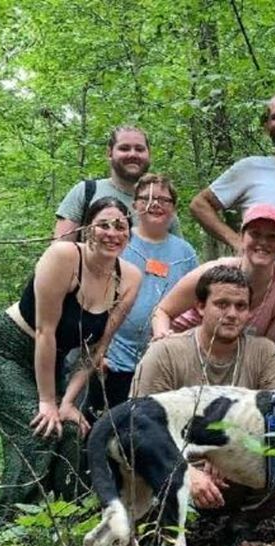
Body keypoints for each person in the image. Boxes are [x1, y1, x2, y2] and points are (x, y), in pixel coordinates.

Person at [0, 197, 140, 525]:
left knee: (72, 429)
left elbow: (95, 351)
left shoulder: (130, 278)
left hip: (53, 361)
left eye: (121, 226)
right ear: (87, 228)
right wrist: (48, 401)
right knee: (39, 428)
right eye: (103, 224)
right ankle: (7, 529)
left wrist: (69, 401)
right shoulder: (63, 256)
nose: (112, 233)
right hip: (2, 350)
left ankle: (68, 523)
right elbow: (46, 333)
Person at [132, 265, 275, 510]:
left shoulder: (264, 353)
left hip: (242, 468)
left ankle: (240, 527)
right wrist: (188, 472)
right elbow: (139, 427)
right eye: (221, 304)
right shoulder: (165, 353)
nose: (232, 314)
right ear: (200, 306)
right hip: (176, 468)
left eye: (241, 306)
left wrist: (227, 452)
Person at [88, 174, 198, 413]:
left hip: (165, 364)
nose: (155, 204)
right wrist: (98, 350)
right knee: (108, 431)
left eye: (163, 199)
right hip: (113, 363)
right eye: (146, 198)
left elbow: (196, 304)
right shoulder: (117, 241)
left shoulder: (186, 252)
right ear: (134, 205)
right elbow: (93, 296)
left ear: (174, 208)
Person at [151, 204, 275, 345]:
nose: (263, 242)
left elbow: (266, 348)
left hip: (229, 359)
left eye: (272, 237)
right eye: (255, 234)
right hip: (181, 347)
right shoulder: (212, 272)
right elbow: (162, 311)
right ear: (242, 238)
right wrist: (163, 340)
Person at [190, 95, 275, 250]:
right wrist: (236, 241)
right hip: (261, 270)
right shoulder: (249, 168)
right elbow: (199, 205)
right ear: (266, 127)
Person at [54, 126, 176, 240]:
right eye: (124, 148)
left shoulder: (162, 205)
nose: (133, 154)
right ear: (109, 153)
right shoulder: (86, 192)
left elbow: (178, 256)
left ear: (149, 154)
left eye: (139, 149)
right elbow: (58, 253)